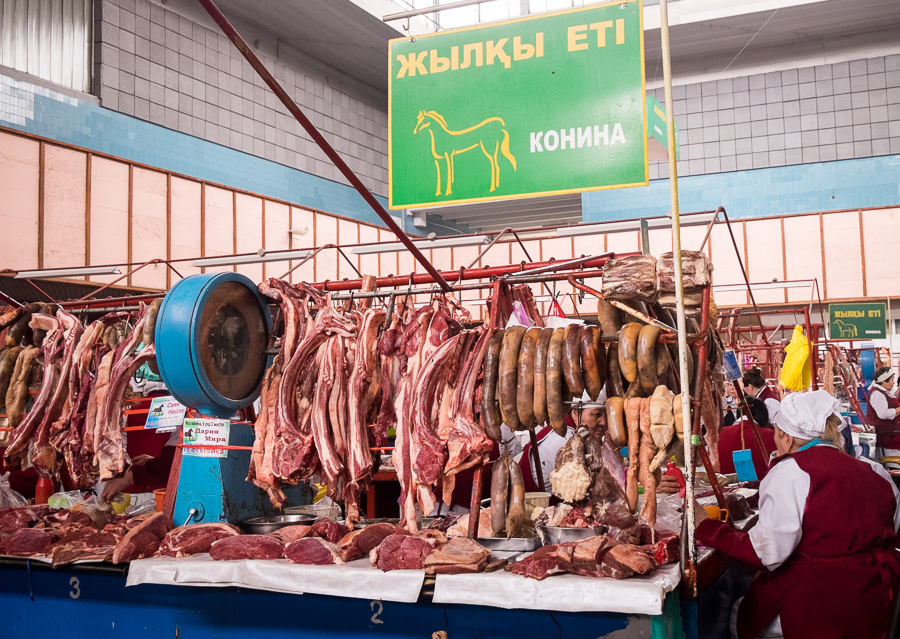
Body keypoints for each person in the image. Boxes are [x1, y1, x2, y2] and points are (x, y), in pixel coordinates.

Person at [696, 390, 900, 639]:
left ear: (787, 438)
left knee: (740, 614)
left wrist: (707, 526)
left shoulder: (792, 471)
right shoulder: (875, 470)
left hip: (823, 605)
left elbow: (765, 555)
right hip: (877, 599)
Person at [716, 396, 777, 479]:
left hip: (723, 490)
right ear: (763, 415)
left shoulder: (718, 435)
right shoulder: (772, 436)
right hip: (761, 489)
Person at [866, 366, 900, 464]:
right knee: (892, 464)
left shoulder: (884, 392)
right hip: (886, 436)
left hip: (892, 435)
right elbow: (883, 414)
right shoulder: (877, 393)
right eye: (892, 380)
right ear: (884, 381)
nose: (893, 383)